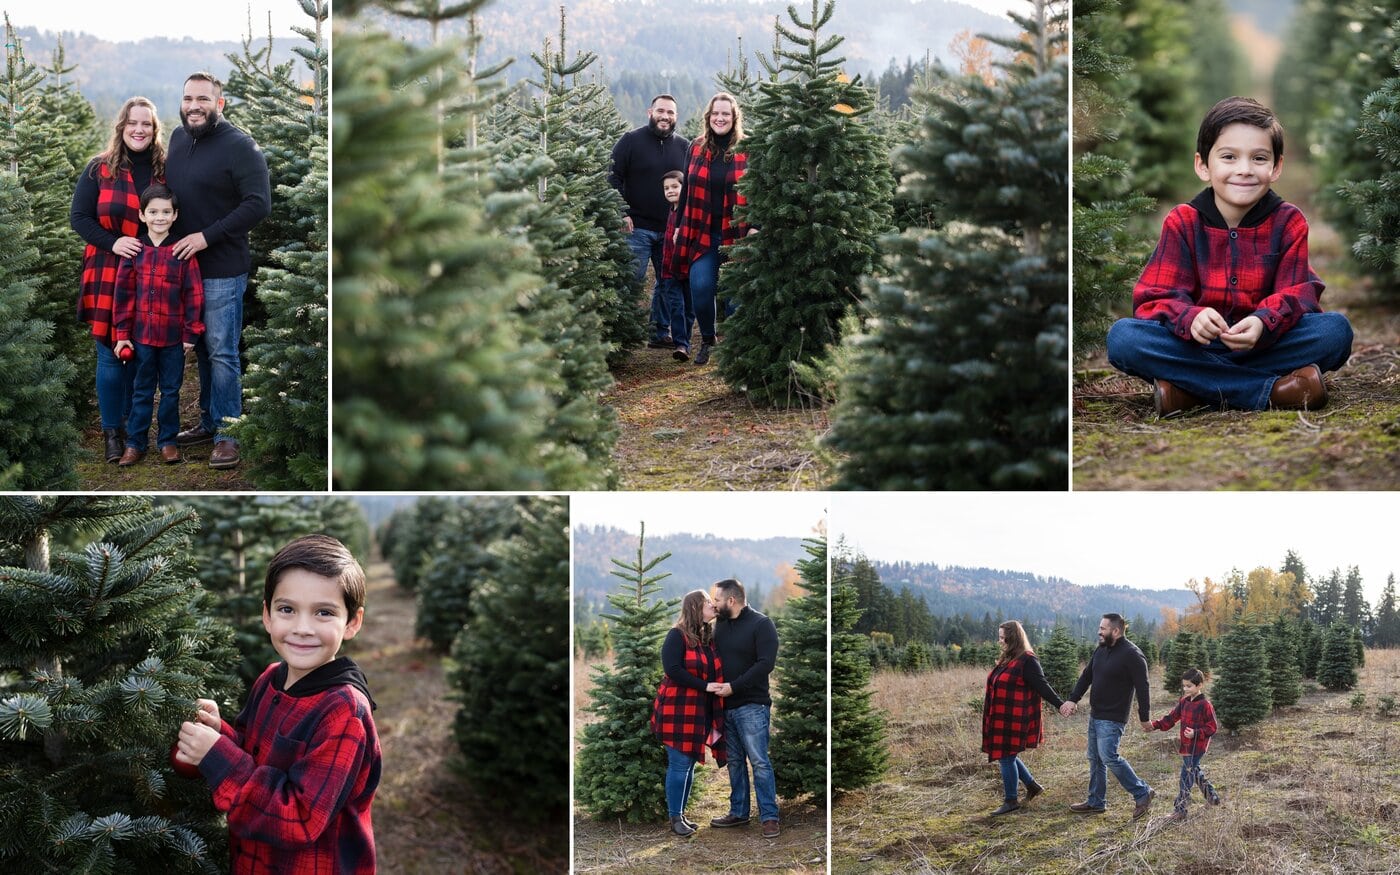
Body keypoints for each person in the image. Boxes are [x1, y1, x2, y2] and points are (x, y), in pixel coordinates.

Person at [1106, 96, 1353, 416]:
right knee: (1124, 338)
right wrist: (1190, 317)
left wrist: (1264, 322)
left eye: (1259, 158)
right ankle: (1270, 392)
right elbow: (1154, 298)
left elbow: (1299, 294)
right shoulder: (1183, 222)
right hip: (1193, 346)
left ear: (1276, 167)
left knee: (1335, 332)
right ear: (1203, 166)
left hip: (1266, 345)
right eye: (1229, 157)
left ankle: (1191, 391)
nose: (1244, 170)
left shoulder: (1288, 222)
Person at [172, 535, 381, 873]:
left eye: (324, 613)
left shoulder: (343, 711)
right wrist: (219, 734)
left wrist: (216, 756)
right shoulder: (271, 678)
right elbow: (253, 754)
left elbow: (300, 819)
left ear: (352, 622)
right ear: (267, 615)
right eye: (287, 609)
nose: (302, 628)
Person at [166, 71, 271, 469]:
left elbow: (258, 203)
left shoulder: (239, 146)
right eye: (189, 98)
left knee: (223, 352)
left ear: (219, 104)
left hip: (222, 267)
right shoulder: (178, 139)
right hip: (183, 269)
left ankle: (230, 434)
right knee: (205, 353)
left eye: (203, 100)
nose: (195, 106)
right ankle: (209, 422)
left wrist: (206, 237)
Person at [70, 96, 165, 464]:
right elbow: (79, 218)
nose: (139, 130)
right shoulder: (99, 169)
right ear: (122, 127)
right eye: (133, 123)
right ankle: (113, 431)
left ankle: (133, 426)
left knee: (139, 352)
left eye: (146, 124)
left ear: (155, 130)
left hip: (151, 274)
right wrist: (115, 242)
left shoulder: (164, 172)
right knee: (110, 354)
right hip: (108, 269)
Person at [113, 184, 203, 466]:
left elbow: (194, 294)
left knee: (171, 390)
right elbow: (124, 296)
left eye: (166, 212)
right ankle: (135, 443)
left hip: (173, 338)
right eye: (153, 212)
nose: (159, 217)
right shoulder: (134, 251)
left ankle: (167, 441)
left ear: (175, 215)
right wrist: (122, 335)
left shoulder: (182, 252)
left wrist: (191, 332)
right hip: (141, 338)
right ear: (142, 215)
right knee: (141, 390)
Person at [673, 92, 756, 366]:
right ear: (709, 117)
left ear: (734, 118)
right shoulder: (695, 147)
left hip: (737, 232)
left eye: (726, 114)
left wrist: (756, 225)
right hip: (702, 231)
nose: (720, 118)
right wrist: (677, 224)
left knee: (735, 298)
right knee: (701, 287)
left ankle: (734, 347)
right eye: (716, 114)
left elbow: (759, 191)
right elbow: (686, 192)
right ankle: (708, 339)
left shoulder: (748, 148)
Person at [608, 94, 690, 350]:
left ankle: (659, 333)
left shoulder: (684, 147)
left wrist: (682, 223)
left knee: (668, 282)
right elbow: (612, 177)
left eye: (671, 113)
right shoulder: (630, 141)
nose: (665, 116)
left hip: (670, 229)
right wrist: (622, 212)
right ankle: (621, 335)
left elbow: (690, 187)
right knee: (632, 280)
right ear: (650, 112)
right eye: (661, 111)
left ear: (676, 117)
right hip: (636, 228)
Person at [1060, 613, 1156, 820]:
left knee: (1109, 756)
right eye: (1099, 627)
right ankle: (1096, 801)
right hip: (1096, 714)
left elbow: (1143, 687)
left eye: (1103, 628)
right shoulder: (1101, 650)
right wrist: (1072, 699)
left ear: (1116, 631)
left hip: (1113, 717)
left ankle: (1142, 792)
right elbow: (1087, 676)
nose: (1099, 631)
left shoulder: (1133, 654)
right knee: (1095, 759)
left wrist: (1144, 716)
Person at [707, 578, 781, 838]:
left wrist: (735, 687)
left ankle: (769, 817)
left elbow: (765, 664)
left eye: (716, 600)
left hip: (752, 705)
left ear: (731, 600)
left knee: (759, 762)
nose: (714, 604)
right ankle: (738, 813)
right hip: (725, 706)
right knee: (735, 761)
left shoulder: (761, 625)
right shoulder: (719, 626)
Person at [650, 590, 727, 836]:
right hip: (678, 708)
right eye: (708, 602)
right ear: (695, 607)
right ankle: (675, 818)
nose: (712, 605)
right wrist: (705, 686)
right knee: (680, 763)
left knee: (690, 763)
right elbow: (672, 669)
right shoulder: (677, 635)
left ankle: (681, 815)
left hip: (699, 710)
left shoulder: (705, 638)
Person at [981, 620, 1066, 816]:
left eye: (1003, 637)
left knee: (1006, 756)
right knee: (1007, 755)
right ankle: (1032, 786)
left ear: (1013, 638)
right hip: (1001, 716)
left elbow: (1042, 686)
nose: (1000, 641)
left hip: (1016, 717)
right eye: (999, 637)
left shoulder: (1027, 660)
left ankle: (1011, 800)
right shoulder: (1008, 659)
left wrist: (1060, 705)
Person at [1148, 668, 1222, 821]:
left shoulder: (1205, 705)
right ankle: (1212, 797)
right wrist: (1154, 725)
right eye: (1184, 686)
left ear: (1199, 685)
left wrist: (1196, 733)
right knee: (1194, 771)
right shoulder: (1184, 702)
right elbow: (1171, 718)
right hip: (1186, 745)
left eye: (1189, 686)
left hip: (1198, 746)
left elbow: (1212, 727)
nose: (1186, 689)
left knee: (1185, 776)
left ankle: (1180, 809)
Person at [659, 169, 694, 361]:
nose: (670, 191)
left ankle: (685, 342)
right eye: (666, 188)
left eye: (675, 186)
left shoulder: (688, 212)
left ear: (685, 188)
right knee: (676, 306)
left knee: (690, 308)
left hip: (688, 269)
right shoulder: (670, 211)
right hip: (670, 270)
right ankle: (681, 344)